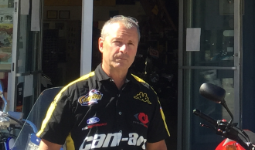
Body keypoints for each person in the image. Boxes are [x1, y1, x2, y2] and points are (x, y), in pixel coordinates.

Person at [37, 16, 169, 150]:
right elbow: (48, 146)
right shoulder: (73, 93)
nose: (124, 49)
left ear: (136, 49)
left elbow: (157, 146)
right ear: (101, 45)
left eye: (130, 43)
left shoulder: (147, 95)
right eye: (117, 42)